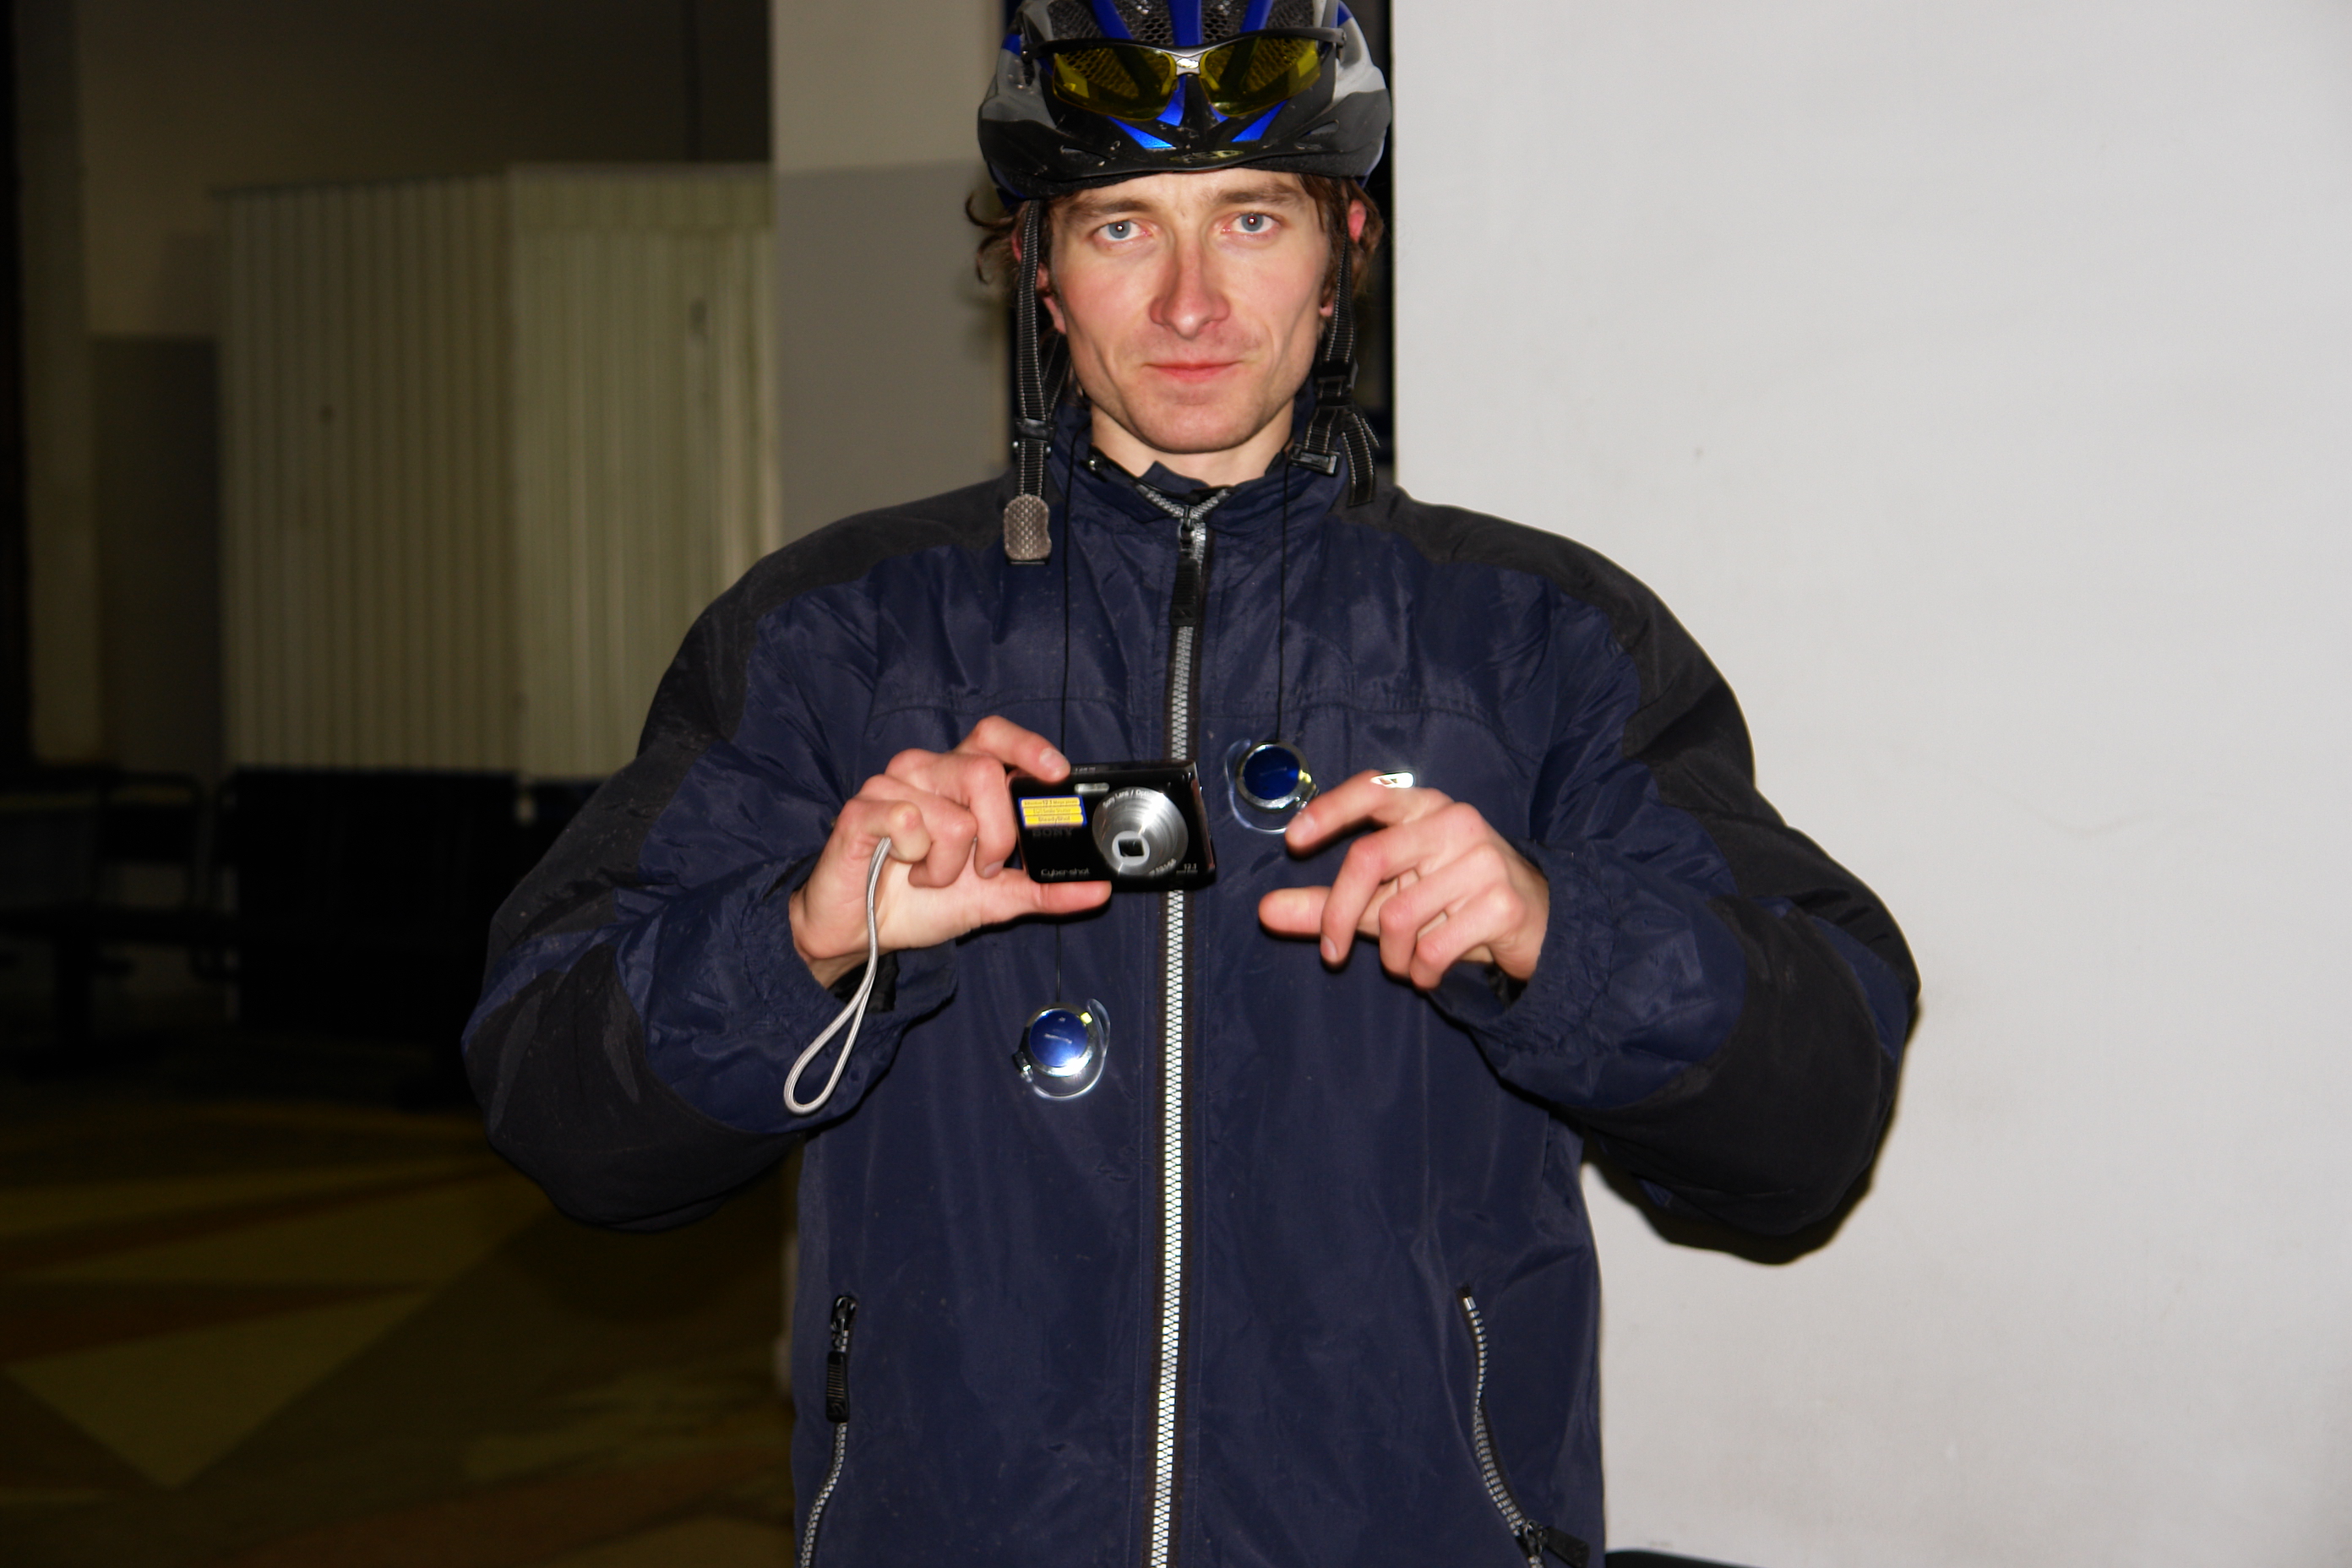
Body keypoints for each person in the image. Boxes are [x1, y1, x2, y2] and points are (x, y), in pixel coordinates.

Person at [465, 3, 1918, 1564]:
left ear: (1343, 250)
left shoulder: (1539, 642)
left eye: (1250, 217)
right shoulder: (837, 637)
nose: (1189, 301)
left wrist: (1562, 940)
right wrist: (805, 939)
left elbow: (1809, 1126)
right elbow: (559, 1104)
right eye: (1120, 226)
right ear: (1039, 269)